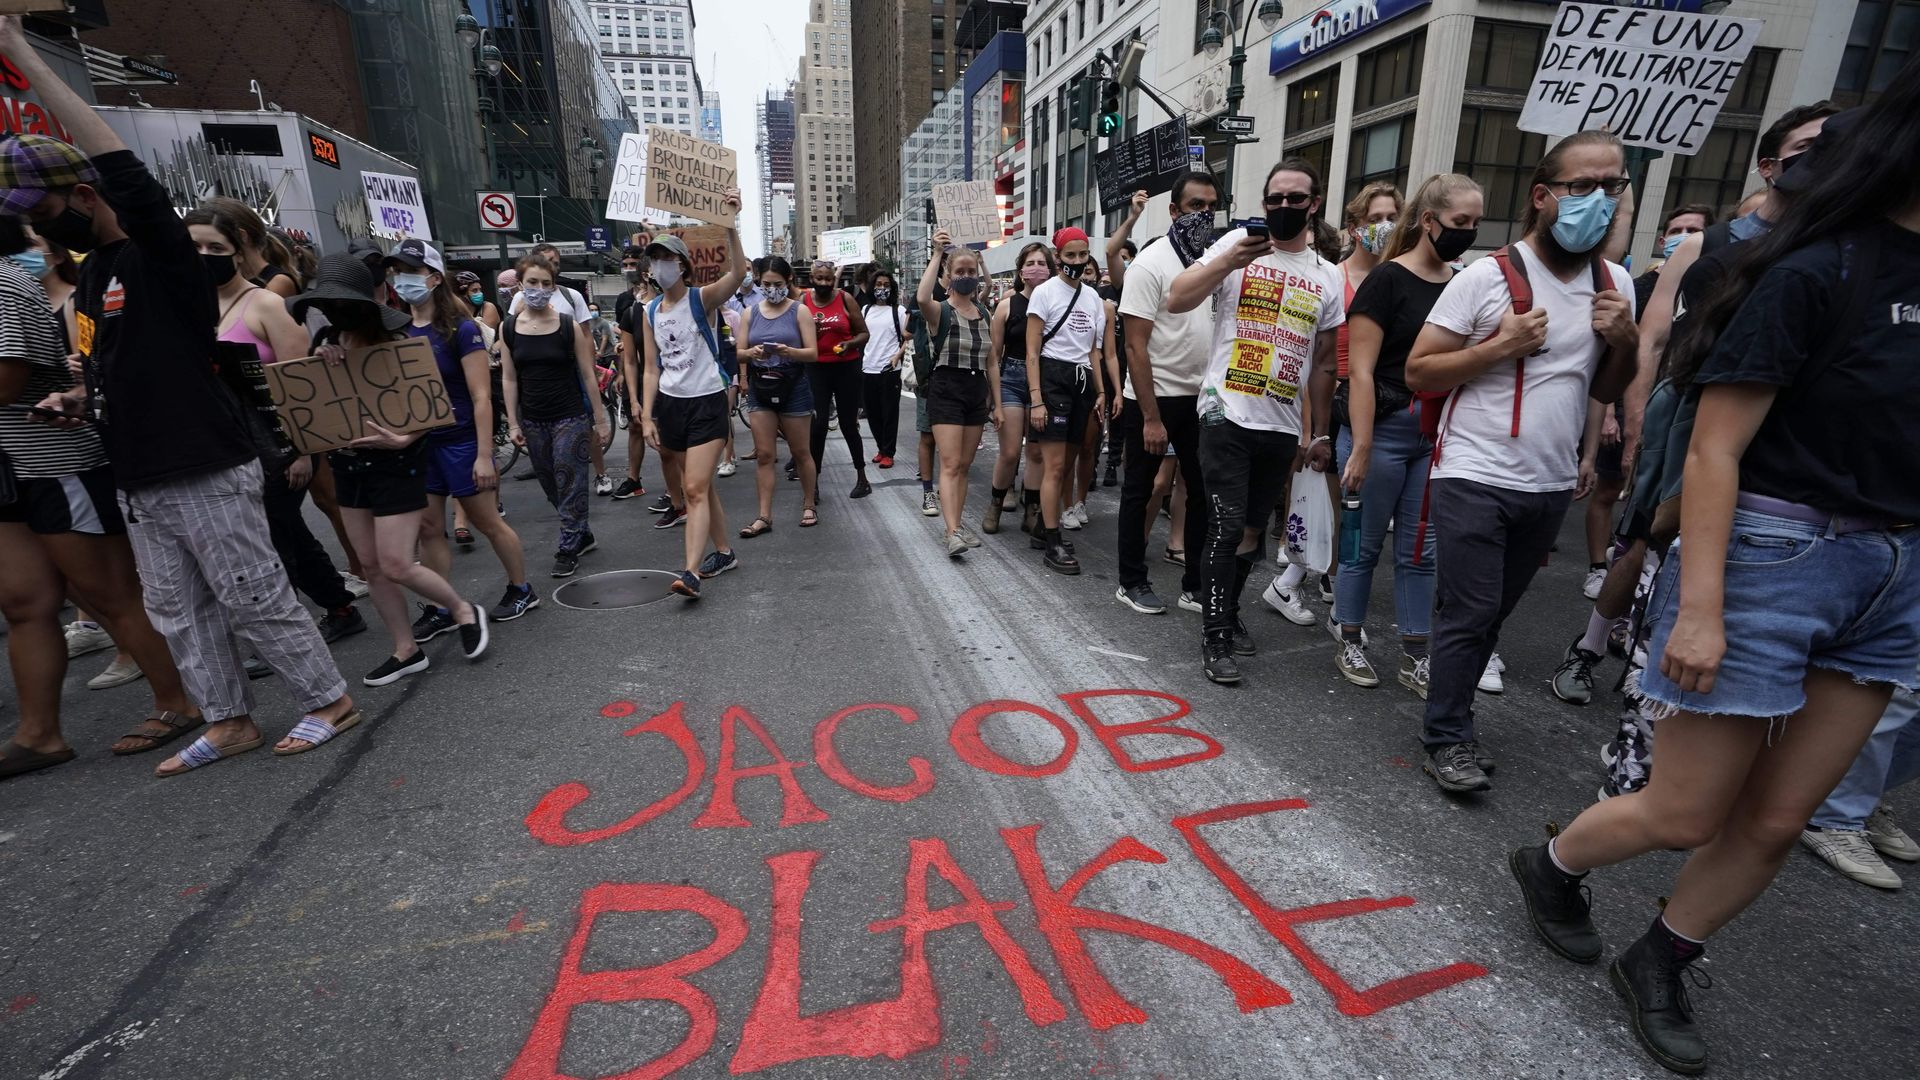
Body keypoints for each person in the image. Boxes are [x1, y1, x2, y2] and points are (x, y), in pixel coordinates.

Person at [1508, 78, 1920, 1075]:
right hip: (1773, 555)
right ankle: (1552, 864)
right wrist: (1697, 612)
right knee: (1686, 808)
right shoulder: (1818, 269)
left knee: (1783, 821)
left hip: (1896, 572)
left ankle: (1663, 954)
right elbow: (1714, 449)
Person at [0, 31, 362, 774]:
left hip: (202, 462)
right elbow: (122, 363)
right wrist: (79, 395)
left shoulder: (157, 250)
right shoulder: (98, 273)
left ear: (87, 196)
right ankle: (228, 718)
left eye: (46, 212)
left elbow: (118, 162)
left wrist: (20, 52)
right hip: (139, 477)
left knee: (253, 592)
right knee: (179, 609)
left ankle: (328, 700)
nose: (40, 231)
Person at [1558, 103, 1835, 713]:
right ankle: (1597, 650)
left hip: (1778, 449)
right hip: (1685, 431)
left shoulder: (1836, 252)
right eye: (1811, 147)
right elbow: (1651, 340)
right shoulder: (1709, 248)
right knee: (1649, 544)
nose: (1830, 156)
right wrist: (1634, 431)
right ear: (1771, 166)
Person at [1404, 130, 1638, 793]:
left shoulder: (1615, 283)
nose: (1599, 200)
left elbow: (1605, 387)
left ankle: (1454, 714)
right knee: (1470, 611)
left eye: (1612, 186)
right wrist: (1497, 346)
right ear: (1543, 196)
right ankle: (1447, 737)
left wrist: (1624, 342)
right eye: (1582, 187)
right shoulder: (1485, 277)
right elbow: (1420, 372)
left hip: (1547, 481)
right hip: (1473, 472)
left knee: (1489, 616)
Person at [0, 218, 205, 779]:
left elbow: (7, 380)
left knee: (111, 593)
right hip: (10, 474)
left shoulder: (2, 282)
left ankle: (180, 702)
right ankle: (40, 734)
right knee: (24, 603)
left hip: (56, 463)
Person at [1167, 158, 1344, 685]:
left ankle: (1229, 611)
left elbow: (1326, 362)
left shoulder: (1327, 275)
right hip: (1224, 412)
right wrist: (1229, 259)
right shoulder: (1235, 247)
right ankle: (1215, 634)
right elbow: (1177, 299)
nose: (1284, 208)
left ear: (1314, 204)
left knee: (1248, 532)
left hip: (1282, 425)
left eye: (1295, 199)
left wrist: (1316, 434)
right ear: (1263, 204)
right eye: (1275, 200)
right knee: (1224, 527)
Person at [290, 254, 493, 686]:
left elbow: (431, 404)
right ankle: (405, 648)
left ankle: (460, 610)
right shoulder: (324, 337)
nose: (333, 310)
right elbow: (315, 403)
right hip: (348, 466)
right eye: (325, 302)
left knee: (398, 562)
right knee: (371, 563)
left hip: (394, 465)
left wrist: (405, 437)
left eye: (341, 302)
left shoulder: (397, 337)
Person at [184, 200, 367, 647]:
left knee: (267, 540)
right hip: (225, 447)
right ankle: (339, 606)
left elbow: (303, 386)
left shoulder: (267, 305)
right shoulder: (189, 307)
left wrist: (305, 451)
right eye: (194, 247)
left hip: (278, 449)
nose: (204, 256)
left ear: (239, 246)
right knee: (286, 532)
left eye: (215, 246)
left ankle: (284, 636)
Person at [1330, 174, 1482, 696]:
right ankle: (1350, 637)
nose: (1469, 231)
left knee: (1421, 552)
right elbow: (1362, 371)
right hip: (1384, 432)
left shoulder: (1463, 280)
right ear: (1429, 221)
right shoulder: (1387, 280)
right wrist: (1365, 445)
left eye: (1475, 223)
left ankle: (1415, 653)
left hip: (1435, 437)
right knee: (1361, 545)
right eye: (1461, 222)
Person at [384, 238, 537, 633]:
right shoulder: (396, 329)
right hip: (421, 445)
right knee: (429, 529)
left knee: (488, 523)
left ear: (434, 278)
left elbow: (481, 396)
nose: (401, 279)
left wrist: (484, 455)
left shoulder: (461, 328)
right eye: (396, 271)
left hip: (462, 442)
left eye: (410, 271)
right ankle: (439, 607)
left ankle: (521, 588)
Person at [1112, 171, 1221, 616]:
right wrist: (1153, 418)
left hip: (1203, 400)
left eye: (1211, 207)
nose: (1205, 215)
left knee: (1200, 490)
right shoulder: (1149, 264)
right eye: (1195, 206)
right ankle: (1131, 581)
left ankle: (1194, 583)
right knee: (1140, 490)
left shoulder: (1215, 261)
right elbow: (1135, 346)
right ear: (1174, 211)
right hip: (1152, 400)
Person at [638, 208, 747, 600]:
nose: (660, 266)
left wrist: (731, 225)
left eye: (667, 258)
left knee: (694, 488)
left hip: (707, 403)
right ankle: (725, 551)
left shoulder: (703, 299)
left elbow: (737, 274)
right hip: (671, 406)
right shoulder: (650, 310)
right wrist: (646, 414)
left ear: (683, 266)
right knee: (703, 488)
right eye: (655, 259)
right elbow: (651, 368)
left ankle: (690, 571)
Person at [500, 256, 610, 578]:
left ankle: (568, 545)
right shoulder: (508, 329)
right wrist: (514, 422)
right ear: (520, 285)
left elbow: (588, 375)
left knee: (569, 477)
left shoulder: (567, 325)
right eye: (532, 283)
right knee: (549, 481)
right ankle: (582, 532)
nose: (539, 289)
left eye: (546, 284)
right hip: (533, 419)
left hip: (570, 416)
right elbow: (508, 377)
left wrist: (600, 419)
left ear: (554, 286)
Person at [1023, 227, 1110, 574]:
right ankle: (1052, 541)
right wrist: (1036, 399)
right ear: (1057, 257)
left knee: (1070, 461)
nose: (1076, 261)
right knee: (1056, 466)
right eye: (1069, 255)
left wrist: (1102, 391)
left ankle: (1045, 528)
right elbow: (1031, 351)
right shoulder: (1044, 293)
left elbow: (1094, 350)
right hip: (1053, 380)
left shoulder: (1092, 298)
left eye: (1082, 255)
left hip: (1083, 381)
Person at [915, 229, 995, 557]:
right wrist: (937, 253)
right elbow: (921, 298)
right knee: (949, 463)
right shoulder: (940, 310)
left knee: (963, 464)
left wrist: (998, 405)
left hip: (976, 390)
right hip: (946, 388)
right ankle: (951, 532)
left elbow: (992, 363)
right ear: (948, 275)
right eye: (959, 271)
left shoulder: (985, 313)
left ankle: (958, 524)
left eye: (970, 272)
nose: (965, 277)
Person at [735, 255, 820, 536]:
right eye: (767, 284)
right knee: (765, 454)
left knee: (800, 452)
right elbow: (739, 351)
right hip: (761, 386)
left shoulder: (800, 311)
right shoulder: (750, 313)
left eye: (778, 284)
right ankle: (764, 516)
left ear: (789, 282)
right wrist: (750, 355)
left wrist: (789, 351)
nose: (772, 289)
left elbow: (813, 353)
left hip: (793, 385)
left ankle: (809, 504)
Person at [986, 242, 1053, 537]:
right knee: (1011, 452)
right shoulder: (1006, 305)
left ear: (1050, 268)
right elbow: (993, 357)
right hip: (1011, 378)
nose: (1036, 267)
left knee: (1037, 453)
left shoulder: (1056, 302)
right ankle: (996, 504)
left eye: (1042, 262)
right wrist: (994, 400)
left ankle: (1032, 509)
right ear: (1020, 269)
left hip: (1044, 382)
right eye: (1031, 262)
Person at [801, 259, 872, 499]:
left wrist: (849, 343)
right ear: (812, 278)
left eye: (828, 279)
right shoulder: (803, 302)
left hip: (846, 368)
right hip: (816, 369)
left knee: (848, 424)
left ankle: (862, 478)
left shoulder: (845, 299)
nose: (824, 283)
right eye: (819, 278)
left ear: (835, 279)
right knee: (818, 426)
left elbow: (864, 333)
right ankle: (814, 482)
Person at [614, 253, 658, 501]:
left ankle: (678, 493)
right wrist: (633, 398)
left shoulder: (675, 305)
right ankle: (633, 479)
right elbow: (629, 356)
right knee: (636, 427)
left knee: (669, 442)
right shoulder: (631, 309)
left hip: (674, 383)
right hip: (644, 379)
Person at [861, 268, 905, 469]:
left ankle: (889, 452)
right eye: (878, 285)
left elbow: (909, 338)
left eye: (886, 285)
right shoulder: (865, 311)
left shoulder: (899, 311)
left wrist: (897, 356)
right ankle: (881, 449)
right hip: (868, 369)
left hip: (889, 370)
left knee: (889, 414)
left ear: (892, 288)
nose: (882, 288)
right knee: (873, 413)